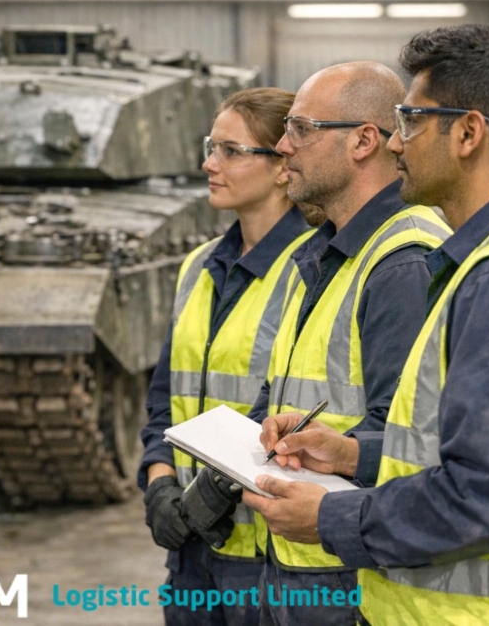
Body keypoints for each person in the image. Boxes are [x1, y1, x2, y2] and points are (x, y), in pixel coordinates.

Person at [245, 25, 489, 625]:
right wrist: (350, 454)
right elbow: (457, 450)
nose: (397, 145)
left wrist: (330, 519)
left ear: (469, 133)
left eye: (412, 122)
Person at [244, 62, 451, 626]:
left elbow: (417, 442)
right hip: (298, 558)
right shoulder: (326, 255)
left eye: (302, 128)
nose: (283, 147)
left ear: (364, 140)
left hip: (348, 569)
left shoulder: (401, 263)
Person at [138, 87, 313, 626]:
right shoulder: (197, 267)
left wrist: (210, 492)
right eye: (211, 146)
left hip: (268, 559)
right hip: (191, 552)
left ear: (284, 165)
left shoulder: (312, 271)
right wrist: (160, 487)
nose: (208, 163)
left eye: (230, 151)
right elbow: (164, 402)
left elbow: (307, 407)